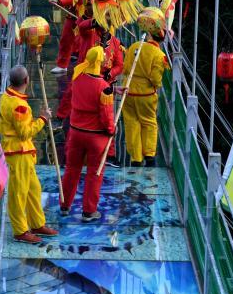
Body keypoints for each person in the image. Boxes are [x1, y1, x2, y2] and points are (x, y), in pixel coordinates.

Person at [0, 65, 59, 243]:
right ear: (26, 81)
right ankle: (20, 230)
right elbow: (25, 133)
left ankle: (37, 223)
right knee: (19, 192)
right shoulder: (19, 106)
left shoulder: (6, 96)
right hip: (18, 152)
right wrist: (42, 119)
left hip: (20, 151)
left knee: (33, 189)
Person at [59, 46, 116, 221]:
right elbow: (106, 115)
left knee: (71, 170)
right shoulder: (103, 87)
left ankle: (65, 205)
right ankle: (89, 211)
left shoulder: (77, 77)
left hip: (75, 133)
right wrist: (112, 129)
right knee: (94, 173)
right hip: (95, 136)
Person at [121, 23, 169, 167]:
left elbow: (125, 69)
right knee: (148, 122)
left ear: (149, 35)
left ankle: (136, 157)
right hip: (146, 94)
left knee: (131, 123)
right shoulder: (159, 55)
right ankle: (149, 154)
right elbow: (155, 78)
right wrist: (156, 85)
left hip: (128, 89)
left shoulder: (135, 46)